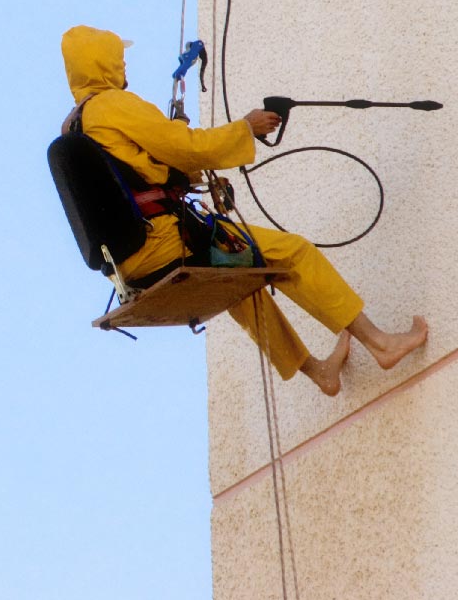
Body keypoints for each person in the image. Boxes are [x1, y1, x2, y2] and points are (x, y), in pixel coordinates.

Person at [60, 25, 427, 395]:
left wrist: (185, 171)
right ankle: (381, 344)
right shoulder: (112, 105)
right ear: (103, 63)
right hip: (165, 243)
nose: (124, 67)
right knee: (293, 253)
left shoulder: (74, 125)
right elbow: (188, 148)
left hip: (130, 266)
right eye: (118, 59)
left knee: (238, 281)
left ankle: (319, 373)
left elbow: (142, 172)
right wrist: (245, 129)